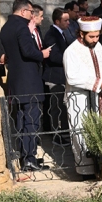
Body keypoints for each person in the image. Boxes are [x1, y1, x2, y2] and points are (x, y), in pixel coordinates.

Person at [0, 0, 51, 171]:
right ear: (23, 11)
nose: (31, 16)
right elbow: (27, 51)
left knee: (22, 119)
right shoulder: (21, 26)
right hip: (28, 81)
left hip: (16, 80)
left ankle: (26, 157)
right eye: (30, 12)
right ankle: (29, 158)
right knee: (31, 120)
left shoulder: (6, 26)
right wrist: (42, 54)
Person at [63, 16, 102, 176]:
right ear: (81, 34)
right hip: (79, 99)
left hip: (99, 97)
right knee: (82, 131)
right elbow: (71, 76)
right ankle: (85, 171)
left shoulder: (98, 46)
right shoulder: (70, 51)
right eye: (91, 36)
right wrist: (97, 83)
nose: (95, 39)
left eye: (97, 36)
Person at [42, 8, 71, 146]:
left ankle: (64, 134)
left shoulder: (61, 33)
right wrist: (70, 59)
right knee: (56, 108)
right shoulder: (51, 35)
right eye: (65, 20)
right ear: (57, 21)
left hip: (61, 76)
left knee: (61, 106)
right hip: (55, 77)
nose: (68, 23)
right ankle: (57, 135)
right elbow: (54, 56)